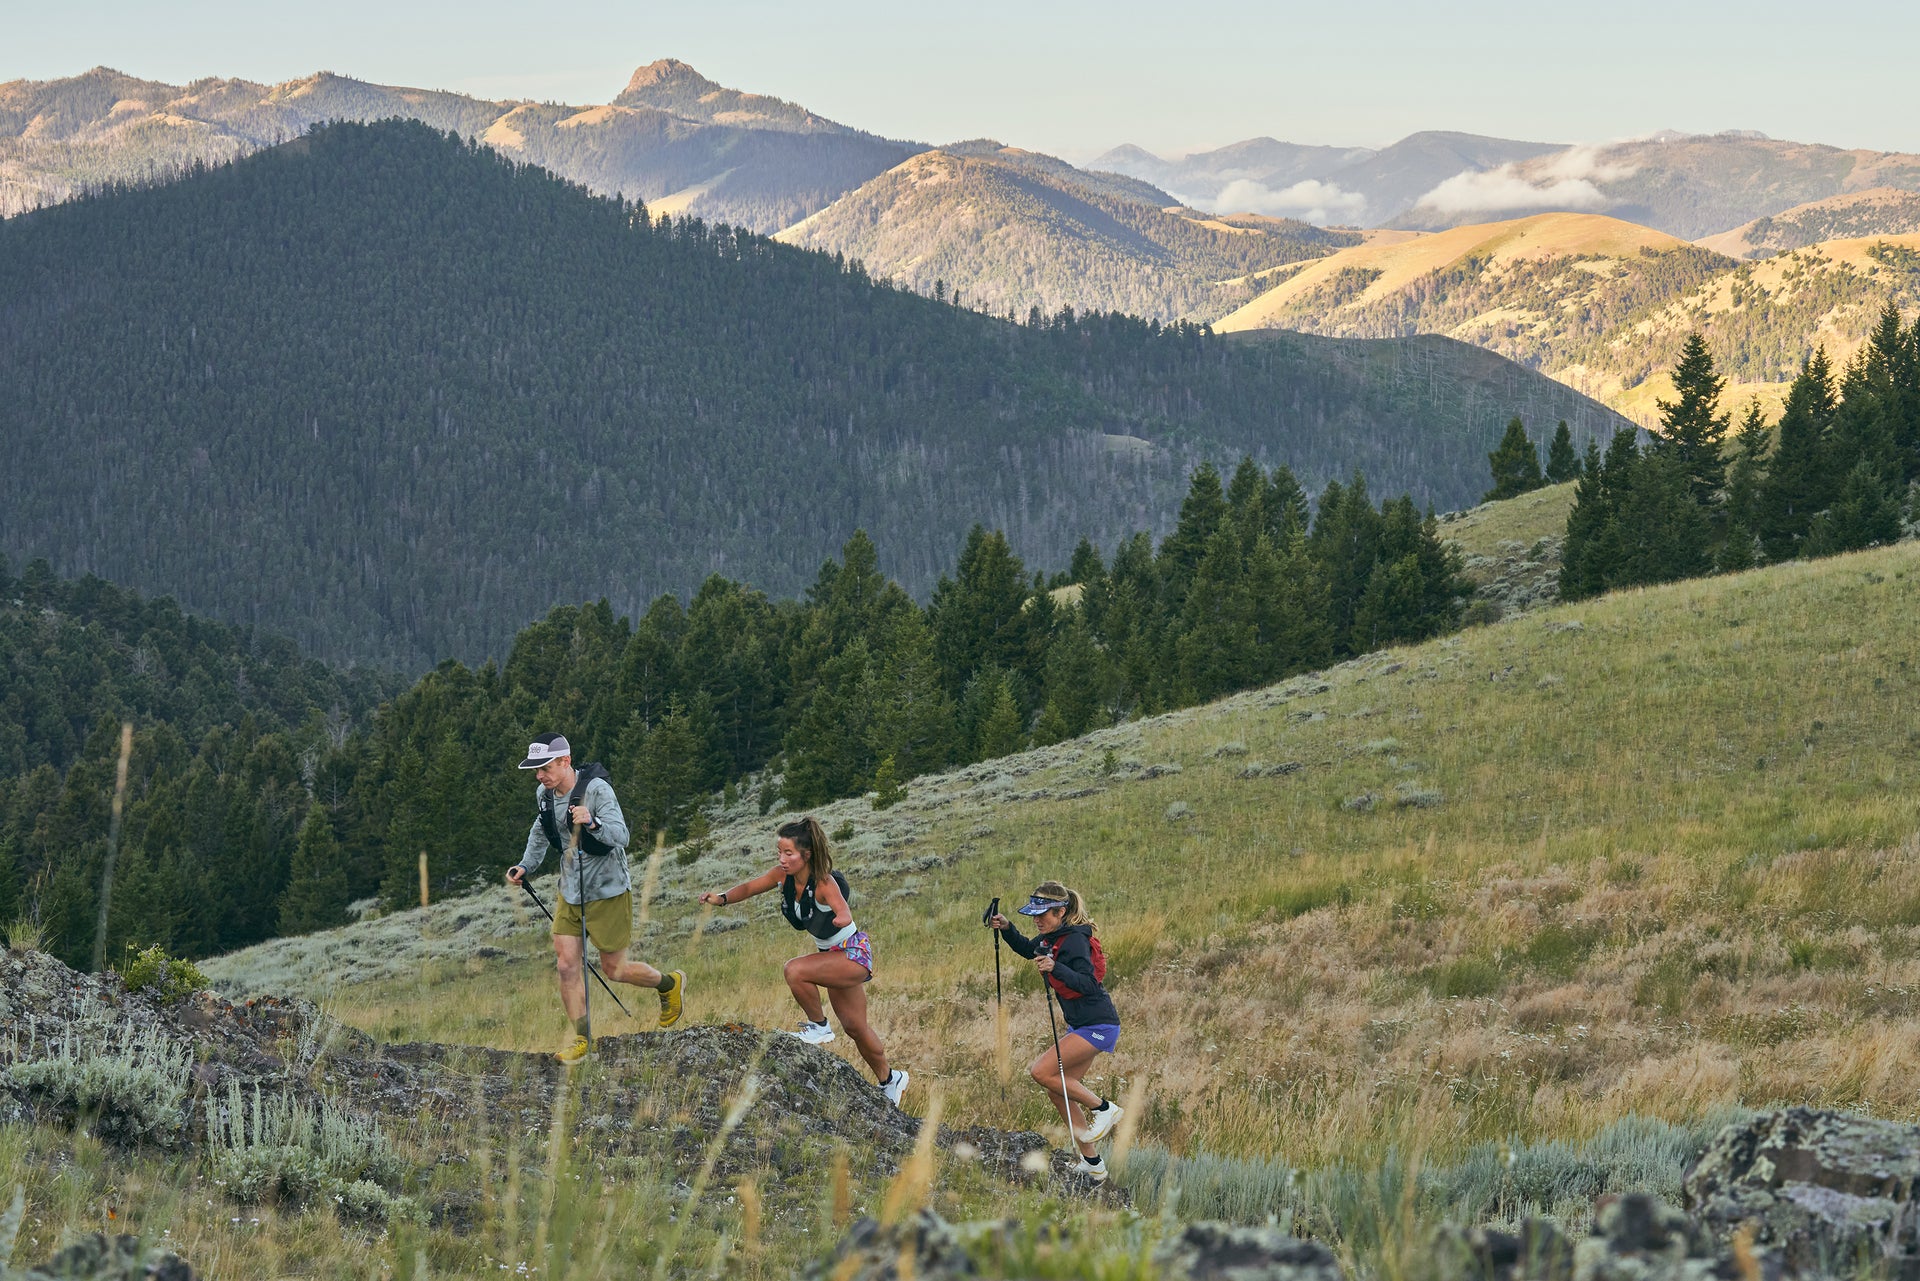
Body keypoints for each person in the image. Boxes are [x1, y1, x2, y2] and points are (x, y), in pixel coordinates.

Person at [698, 817, 909, 1107]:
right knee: (855, 1027)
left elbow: (843, 910)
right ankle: (891, 1079)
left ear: (805, 854)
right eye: (779, 852)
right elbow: (749, 887)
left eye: (789, 854)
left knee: (794, 970)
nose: (782, 859)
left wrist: (841, 919)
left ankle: (818, 1026)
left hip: (850, 953)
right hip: (831, 957)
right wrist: (721, 899)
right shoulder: (781, 876)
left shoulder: (824, 881)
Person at [505, 733, 685, 1064]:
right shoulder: (544, 796)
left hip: (608, 891)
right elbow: (541, 830)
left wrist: (592, 821)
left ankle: (668, 984)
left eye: (544, 768)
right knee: (566, 965)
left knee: (614, 969)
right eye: (536, 770)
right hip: (570, 890)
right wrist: (525, 865)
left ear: (565, 761)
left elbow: (622, 836)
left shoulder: (597, 791)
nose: (539, 776)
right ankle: (582, 1039)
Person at [986, 881, 1123, 1183]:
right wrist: (1007, 927)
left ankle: (1106, 1109)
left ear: (1061, 912)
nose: (1037, 920)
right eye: (1033, 915)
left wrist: (1054, 968)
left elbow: (1088, 984)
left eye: (1043, 915)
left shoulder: (1073, 940)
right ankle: (1093, 1163)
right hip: (1084, 1025)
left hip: (1098, 1024)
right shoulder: (1053, 937)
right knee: (1057, 1088)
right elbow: (1028, 949)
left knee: (1041, 1072)